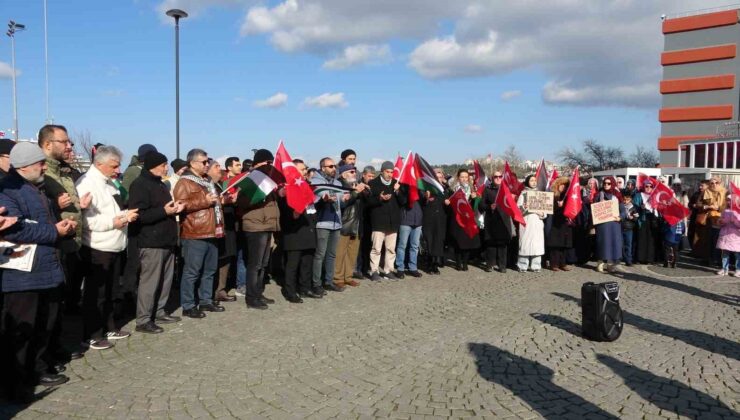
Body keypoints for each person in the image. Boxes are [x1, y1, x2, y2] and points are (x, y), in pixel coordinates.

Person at [0, 143, 77, 401]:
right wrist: (55, 231)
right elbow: (15, 229)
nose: (45, 167)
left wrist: (62, 225)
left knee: (44, 325)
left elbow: (39, 222)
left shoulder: (37, 187)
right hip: (22, 274)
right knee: (22, 332)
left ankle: (36, 370)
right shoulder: (8, 190)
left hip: (46, 268)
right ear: (24, 167)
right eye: (40, 164)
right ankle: (15, 384)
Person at [75, 145, 136, 350]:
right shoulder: (86, 183)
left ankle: (109, 327)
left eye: (119, 165)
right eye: (114, 165)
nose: (118, 170)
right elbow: (87, 220)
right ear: (99, 163)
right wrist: (114, 222)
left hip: (116, 244)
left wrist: (126, 215)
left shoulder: (110, 182)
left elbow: (114, 209)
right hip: (97, 247)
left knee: (111, 290)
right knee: (96, 293)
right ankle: (92, 334)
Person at [127, 152, 184, 334]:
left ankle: (159, 311)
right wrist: (164, 211)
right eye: (163, 165)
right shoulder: (140, 185)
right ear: (153, 165)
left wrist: (175, 209)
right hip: (150, 241)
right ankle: (143, 319)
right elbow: (139, 215)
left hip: (166, 239)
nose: (166, 168)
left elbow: (163, 210)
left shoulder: (160, 183)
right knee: (149, 282)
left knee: (165, 281)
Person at [173, 149, 226, 317]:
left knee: (210, 270)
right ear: (193, 163)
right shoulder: (185, 182)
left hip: (212, 230)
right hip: (195, 232)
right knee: (192, 271)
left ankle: (205, 301)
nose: (206, 165)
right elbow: (180, 204)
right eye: (203, 162)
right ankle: (188, 305)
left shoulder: (207, 181)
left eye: (207, 161)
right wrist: (205, 200)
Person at [236, 149, 281, 309]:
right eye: (267, 163)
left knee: (263, 264)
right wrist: (259, 196)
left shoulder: (268, 179)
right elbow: (242, 202)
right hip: (255, 226)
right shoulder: (251, 178)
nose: (269, 165)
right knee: (254, 264)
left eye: (271, 163)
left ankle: (258, 293)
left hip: (267, 224)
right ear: (257, 163)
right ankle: (251, 297)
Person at [279, 159, 320, 301]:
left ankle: (305, 288)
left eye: (305, 169)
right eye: (302, 169)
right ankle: (290, 291)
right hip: (294, 233)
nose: (305, 172)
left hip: (308, 229)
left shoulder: (305, 186)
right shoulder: (287, 189)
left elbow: (311, 206)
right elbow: (284, 212)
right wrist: (294, 214)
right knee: (293, 264)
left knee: (307, 263)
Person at [310, 157, 346, 292]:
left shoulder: (337, 182)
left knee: (332, 254)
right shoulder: (315, 182)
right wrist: (324, 200)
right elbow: (313, 202)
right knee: (320, 255)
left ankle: (328, 281)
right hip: (322, 222)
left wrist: (345, 198)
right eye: (330, 166)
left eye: (334, 166)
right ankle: (316, 283)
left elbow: (341, 203)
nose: (334, 169)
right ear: (322, 168)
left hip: (336, 222)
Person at [208, 160, 238, 303]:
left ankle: (221, 289)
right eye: (216, 167)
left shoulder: (221, 184)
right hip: (215, 228)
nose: (220, 169)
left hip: (228, 226)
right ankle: (211, 292)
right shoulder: (207, 185)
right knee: (216, 260)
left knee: (226, 259)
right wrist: (222, 202)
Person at [333, 164, 368, 287]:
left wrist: (365, 191)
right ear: (343, 174)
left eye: (355, 172)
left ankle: (348, 276)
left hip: (357, 223)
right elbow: (343, 204)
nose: (354, 174)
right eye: (351, 172)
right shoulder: (339, 185)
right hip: (344, 222)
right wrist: (356, 192)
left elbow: (366, 202)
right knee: (340, 252)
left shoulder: (356, 184)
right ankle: (337, 278)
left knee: (352, 253)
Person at [366, 161, 401, 280]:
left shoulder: (396, 183)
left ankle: (388, 270)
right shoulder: (373, 183)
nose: (390, 174)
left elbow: (403, 202)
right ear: (382, 171)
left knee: (391, 249)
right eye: (387, 172)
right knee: (376, 248)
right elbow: (368, 202)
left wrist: (397, 191)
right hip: (378, 221)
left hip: (393, 222)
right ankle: (374, 271)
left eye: (392, 172)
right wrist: (379, 198)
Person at [479, 171, 511, 273]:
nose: (498, 178)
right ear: (492, 178)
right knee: (491, 244)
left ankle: (502, 266)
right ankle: (490, 264)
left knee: (502, 244)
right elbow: (481, 205)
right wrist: (489, 207)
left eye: (500, 176)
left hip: (504, 220)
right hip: (491, 220)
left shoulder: (506, 190)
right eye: (495, 176)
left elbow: (512, 205)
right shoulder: (487, 190)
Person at [449, 169, 481, 271]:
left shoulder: (472, 190)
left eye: (466, 177)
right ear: (458, 177)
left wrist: (475, 198)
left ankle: (465, 262)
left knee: (468, 241)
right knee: (458, 241)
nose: (464, 179)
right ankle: (458, 262)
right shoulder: (453, 189)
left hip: (468, 219)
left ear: (468, 178)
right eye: (462, 177)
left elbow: (476, 205)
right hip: (457, 218)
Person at [593, 177, 624, 273]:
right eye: (605, 183)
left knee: (613, 243)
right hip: (602, 224)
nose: (606, 185)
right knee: (603, 243)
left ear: (613, 184)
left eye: (609, 183)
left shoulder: (617, 195)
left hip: (614, 224)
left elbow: (623, 210)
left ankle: (610, 264)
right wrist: (599, 204)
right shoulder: (599, 195)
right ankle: (600, 263)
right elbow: (594, 208)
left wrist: (620, 217)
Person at [421, 168, 449, 274]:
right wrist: (425, 197)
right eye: (437, 174)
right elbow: (421, 200)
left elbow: (450, 200)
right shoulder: (426, 187)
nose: (439, 176)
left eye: (441, 174)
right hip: (429, 218)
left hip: (441, 218)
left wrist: (448, 202)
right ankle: (429, 264)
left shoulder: (445, 188)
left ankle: (436, 263)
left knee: (438, 241)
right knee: (429, 240)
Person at [516, 175, 546, 272]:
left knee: (537, 244)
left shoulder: (541, 194)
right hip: (527, 221)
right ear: (527, 182)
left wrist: (542, 214)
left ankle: (536, 265)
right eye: (531, 180)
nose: (533, 182)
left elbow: (545, 209)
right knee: (525, 243)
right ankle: (522, 265)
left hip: (537, 222)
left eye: (535, 180)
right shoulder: (523, 194)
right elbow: (518, 210)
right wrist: (524, 207)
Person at [395, 181, 424, 278]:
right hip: (406, 220)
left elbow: (423, 202)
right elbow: (402, 201)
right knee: (402, 245)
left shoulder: (420, 187)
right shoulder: (403, 187)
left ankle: (413, 267)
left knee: (414, 246)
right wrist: (400, 191)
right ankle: (400, 268)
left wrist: (424, 194)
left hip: (418, 221)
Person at [546, 176, 572, 271]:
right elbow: (548, 208)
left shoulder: (568, 196)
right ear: (558, 184)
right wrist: (557, 205)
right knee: (555, 244)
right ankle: (554, 264)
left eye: (565, 186)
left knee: (564, 244)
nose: (563, 187)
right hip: (554, 221)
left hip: (564, 222)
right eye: (562, 185)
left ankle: (563, 263)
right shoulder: (552, 194)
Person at [356, 165, 376, 277]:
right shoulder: (359, 186)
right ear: (364, 175)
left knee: (368, 245)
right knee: (359, 245)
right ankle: (358, 268)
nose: (371, 178)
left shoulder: (374, 187)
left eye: (373, 176)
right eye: (369, 176)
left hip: (370, 219)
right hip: (360, 218)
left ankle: (365, 267)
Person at [706, 177, 726, 267]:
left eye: (716, 183)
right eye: (711, 183)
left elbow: (728, 205)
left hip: (722, 220)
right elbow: (699, 203)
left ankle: (719, 260)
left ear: (720, 183)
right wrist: (706, 206)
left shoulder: (725, 192)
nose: (714, 185)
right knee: (711, 241)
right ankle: (711, 259)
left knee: (720, 242)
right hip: (710, 219)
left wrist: (718, 208)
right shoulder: (707, 192)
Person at [715, 205, 740, 276]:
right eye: (727, 199)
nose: (728, 201)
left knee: (737, 254)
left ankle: (738, 270)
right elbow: (719, 222)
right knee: (725, 253)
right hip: (725, 235)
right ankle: (724, 268)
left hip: (735, 236)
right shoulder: (725, 211)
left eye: (729, 199)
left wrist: (734, 221)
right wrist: (721, 221)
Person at [691, 180, 711, 262]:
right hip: (702, 217)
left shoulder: (712, 193)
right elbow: (697, 203)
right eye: (700, 185)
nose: (700, 187)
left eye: (702, 185)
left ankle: (705, 256)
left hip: (712, 218)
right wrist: (705, 206)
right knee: (699, 236)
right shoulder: (701, 194)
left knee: (706, 238)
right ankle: (698, 254)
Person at [621, 192, 638, 266]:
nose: (625, 201)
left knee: (628, 245)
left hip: (629, 228)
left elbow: (636, 217)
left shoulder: (633, 208)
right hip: (621, 227)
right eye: (624, 199)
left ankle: (628, 260)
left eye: (627, 199)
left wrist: (633, 218)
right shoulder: (621, 206)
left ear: (630, 200)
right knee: (621, 245)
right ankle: (622, 258)